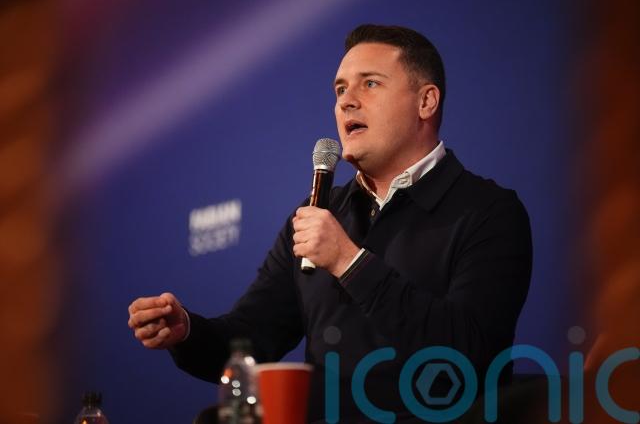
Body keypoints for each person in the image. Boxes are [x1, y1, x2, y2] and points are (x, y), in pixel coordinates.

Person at [128, 24, 532, 422]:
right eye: (340, 90)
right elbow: (251, 341)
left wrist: (348, 263)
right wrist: (186, 332)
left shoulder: (488, 211)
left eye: (370, 84)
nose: (346, 102)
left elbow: (467, 355)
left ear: (426, 102)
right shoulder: (320, 214)